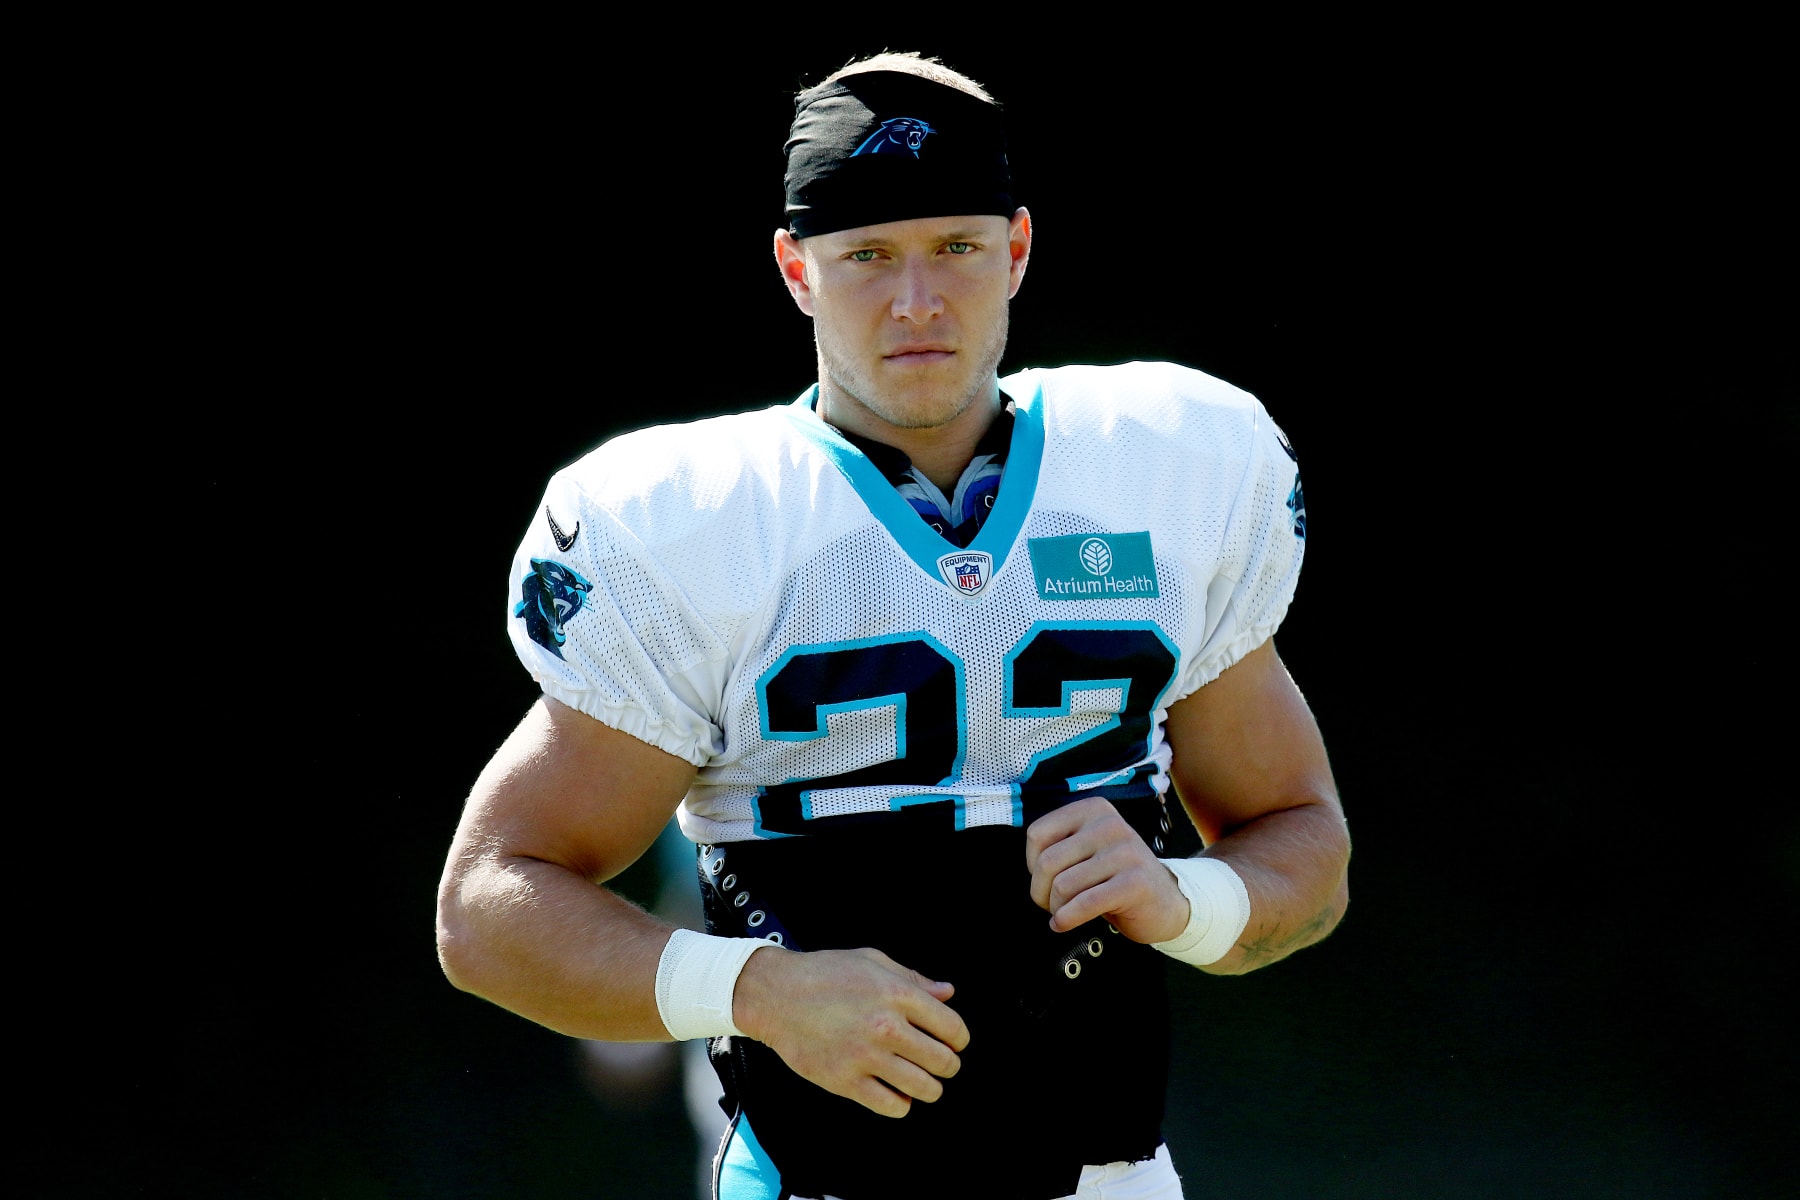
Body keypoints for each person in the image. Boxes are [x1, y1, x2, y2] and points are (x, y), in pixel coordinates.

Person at [437, 52, 1350, 1200]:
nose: (916, 302)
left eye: (954, 249)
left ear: (1016, 249)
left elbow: (1306, 848)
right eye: (867, 256)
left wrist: (1190, 897)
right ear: (796, 269)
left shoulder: (1167, 474)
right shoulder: (701, 525)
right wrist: (758, 990)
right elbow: (486, 907)